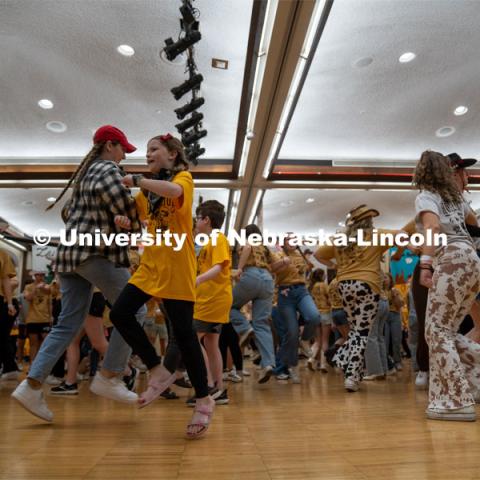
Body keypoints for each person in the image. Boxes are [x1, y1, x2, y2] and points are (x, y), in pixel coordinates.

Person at [12, 125, 145, 422]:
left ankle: (31, 385)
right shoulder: (108, 170)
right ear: (110, 146)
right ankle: (109, 375)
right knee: (134, 310)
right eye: (123, 149)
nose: (124, 156)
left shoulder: (85, 174)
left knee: (67, 324)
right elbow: (127, 207)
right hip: (95, 252)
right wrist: (137, 215)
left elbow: (73, 213)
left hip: (71, 256)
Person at [109, 133, 214, 438]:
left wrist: (137, 180)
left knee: (184, 335)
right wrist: (126, 222)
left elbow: (173, 190)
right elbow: (138, 216)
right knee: (120, 314)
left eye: (154, 149)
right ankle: (157, 369)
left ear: (172, 154)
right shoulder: (146, 194)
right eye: (147, 151)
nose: (148, 154)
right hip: (150, 266)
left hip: (178, 267)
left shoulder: (184, 178)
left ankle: (204, 399)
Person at [414, 150, 480, 421]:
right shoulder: (456, 198)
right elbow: (474, 225)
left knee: (437, 330)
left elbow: (432, 227)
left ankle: (454, 402)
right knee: (448, 331)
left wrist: (426, 263)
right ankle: (474, 385)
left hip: (450, 258)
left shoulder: (426, 196)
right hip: (471, 259)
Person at [315, 205, 404, 392]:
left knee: (356, 331)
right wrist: (398, 253)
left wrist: (335, 265)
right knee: (362, 333)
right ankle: (351, 377)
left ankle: (341, 360)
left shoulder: (341, 239)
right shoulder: (376, 235)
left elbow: (318, 254)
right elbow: (402, 235)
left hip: (345, 286)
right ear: (370, 222)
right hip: (367, 286)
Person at [191, 200, 232, 404]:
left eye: (198, 218)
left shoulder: (217, 239)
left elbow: (218, 267)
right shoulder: (211, 240)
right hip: (212, 298)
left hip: (212, 299)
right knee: (211, 342)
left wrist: (197, 279)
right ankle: (218, 388)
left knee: (192, 339)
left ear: (206, 220)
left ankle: (206, 385)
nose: (196, 221)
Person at [271, 235, 321, 384]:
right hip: (285, 292)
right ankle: (291, 368)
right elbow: (271, 268)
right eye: (289, 240)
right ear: (284, 243)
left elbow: (307, 270)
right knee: (291, 333)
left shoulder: (300, 255)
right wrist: (283, 262)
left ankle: (305, 340)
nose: (292, 242)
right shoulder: (278, 254)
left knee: (314, 317)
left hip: (301, 290)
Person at [230, 224, 276, 383]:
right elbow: (276, 265)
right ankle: (268, 364)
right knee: (262, 323)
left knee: (228, 305)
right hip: (268, 279)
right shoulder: (265, 248)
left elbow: (248, 247)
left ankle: (244, 329)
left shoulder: (248, 243)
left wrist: (239, 269)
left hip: (251, 276)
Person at [23, 272, 52, 363]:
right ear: (35, 276)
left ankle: (41, 364)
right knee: (33, 344)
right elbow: (28, 298)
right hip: (32, 319)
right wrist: (36, 288)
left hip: (45, 319)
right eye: (38, 275)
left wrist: (51, 317)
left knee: (45, 343)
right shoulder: (28, 287)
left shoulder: (47, 287)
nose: (41, 277)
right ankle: (32, 365)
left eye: (43, 275)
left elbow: (50, 303)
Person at [0, 249, 17, 380]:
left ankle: (9, 367)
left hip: (1, 299)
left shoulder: (3, 254)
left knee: (2, 336)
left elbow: (6, 279)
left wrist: (10, 303)